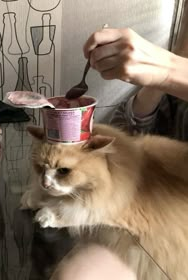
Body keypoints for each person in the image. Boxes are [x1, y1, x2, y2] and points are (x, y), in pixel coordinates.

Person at [50, 7, 188, 279]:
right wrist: (164, 75)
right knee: (74, 270)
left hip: (168, 223)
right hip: (147, 208)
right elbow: (129, 133)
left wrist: (170, 70)